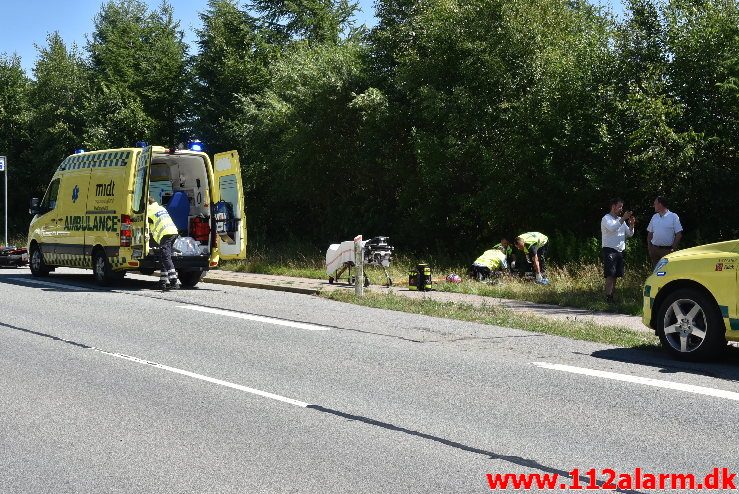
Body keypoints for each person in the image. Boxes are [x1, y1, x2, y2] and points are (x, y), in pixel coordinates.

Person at [601, 198, 635, 303]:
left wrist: (632, 224)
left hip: (619, 251)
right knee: (610, 275)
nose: (621, 209)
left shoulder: (621, 220)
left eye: (622, 206)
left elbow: (630, 234)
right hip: (609, 250)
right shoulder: (606, 218)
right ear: (613, 206)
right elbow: (612, 228)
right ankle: (608, 297)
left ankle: (612, 296)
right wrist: (623, 219)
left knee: (615, 275)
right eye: (619, 206)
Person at [147, 196, 181, 290]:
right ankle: (162, 282)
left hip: (165, 234)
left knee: (166, 257)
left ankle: (173, 281)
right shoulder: (160, 208)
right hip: (173, 232)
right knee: (164, 256)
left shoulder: (149, 209)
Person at [646, 196, 683, 267]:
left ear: (660, 204)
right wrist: (650, 248)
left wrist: (673, 249)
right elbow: (650, 234)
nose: (653, 206)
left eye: (655, 204)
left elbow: (679, 234)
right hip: (654, 250)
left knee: (666, 273)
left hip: (667, 251)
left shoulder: (673, 216)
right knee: (656, 273)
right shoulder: (654, 217)